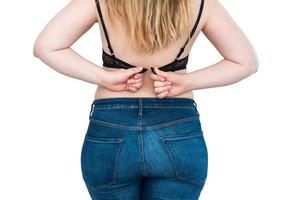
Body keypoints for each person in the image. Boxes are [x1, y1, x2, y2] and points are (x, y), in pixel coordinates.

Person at [33, 0, 258, 199]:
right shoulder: (201, 4)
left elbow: (47, 46)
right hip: (178, 128)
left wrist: (105, 77)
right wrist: (186, 82)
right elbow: (245, 62)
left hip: (111, 129)